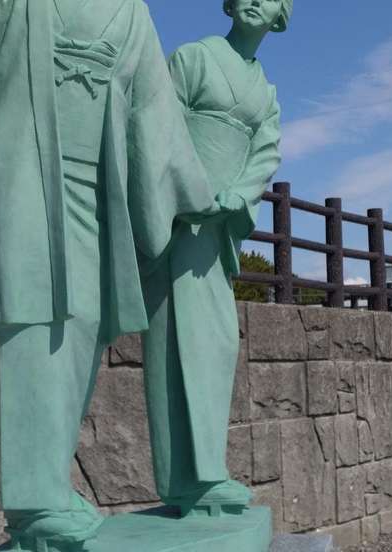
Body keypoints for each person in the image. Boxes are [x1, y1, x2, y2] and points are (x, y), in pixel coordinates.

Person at [0, 0, 220, 550]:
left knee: (84, 322)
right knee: (34, 313)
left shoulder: (132, 12)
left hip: (99, 185)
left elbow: (155, 111)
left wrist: (190, 193)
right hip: (25, 167)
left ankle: (50, 486)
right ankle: (35, 502)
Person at [141, 0, 289, 517]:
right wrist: (190, 191)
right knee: (174, 338)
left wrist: (238, 196)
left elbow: (266, 153)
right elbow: (158, 126)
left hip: (219, 223)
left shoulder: (266, 94)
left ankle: (205, 470)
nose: (254, 0)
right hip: (180, 217)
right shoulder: (193, 58)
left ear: (281, 16)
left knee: (217, 340)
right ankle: (187, 480)